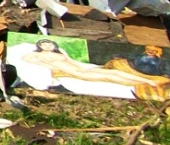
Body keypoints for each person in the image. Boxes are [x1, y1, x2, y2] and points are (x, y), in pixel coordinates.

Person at [21, 39, 170, 101]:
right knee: (110, 77)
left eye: (49, 43)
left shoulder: (60, 54)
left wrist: (85, 67)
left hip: (80, 70)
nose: (48, 45)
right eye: (44, 44)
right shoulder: (38, 55)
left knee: (115, 72)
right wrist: (47, 63)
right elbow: (26, 58)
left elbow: (72, 62)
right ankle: (146, 82)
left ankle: (149, 81)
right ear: (40, 46)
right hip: (75, 73)